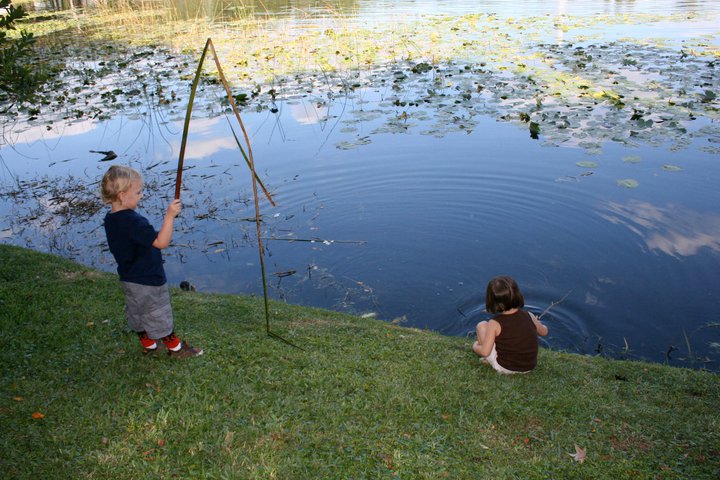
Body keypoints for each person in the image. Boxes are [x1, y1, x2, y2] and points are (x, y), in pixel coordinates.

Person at [101, 165, 203, 358]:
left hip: (128, 277)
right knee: (158, 313)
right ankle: (176, 349)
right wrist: (169, 216)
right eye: (138, 192)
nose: (141, 196)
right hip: (148, 279)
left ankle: (148, 345)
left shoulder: (110, 219)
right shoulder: (135, 222)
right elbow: (161, 242)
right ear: (122, 195)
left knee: (138, 312)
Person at [472, 276, 548, 373]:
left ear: (492, 301)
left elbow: (485, 351)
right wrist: (537, 323)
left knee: (481, 325)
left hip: (505, 367)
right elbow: (544, 332)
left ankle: (488, 360)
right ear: (517, 295)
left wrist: (475, 346)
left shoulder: (494, 323)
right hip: (529, 366)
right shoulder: (529, 315)